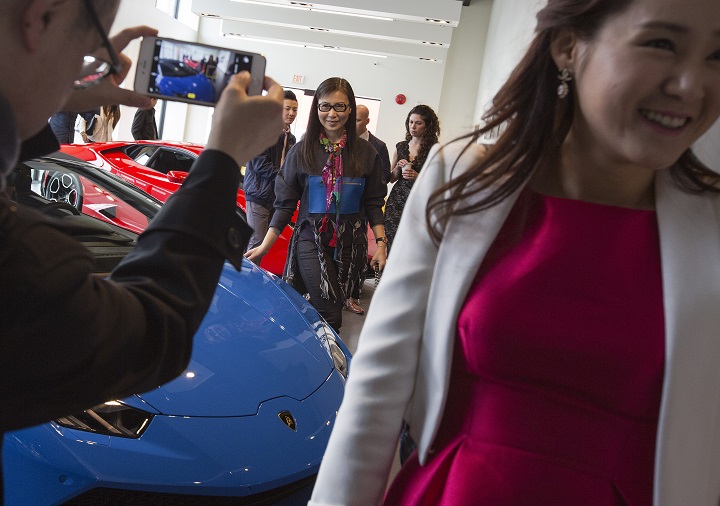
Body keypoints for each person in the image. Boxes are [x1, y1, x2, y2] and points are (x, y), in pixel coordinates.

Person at [309, 0, 720, 504]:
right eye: (661, 44)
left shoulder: (709, 229)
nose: (691, 86)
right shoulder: (463, 180)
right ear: (568, 45)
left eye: (718, 56)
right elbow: (376, 392)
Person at [0, 0, 285, 503]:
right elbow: (151, 327)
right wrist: (223, 159)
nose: (90, 55)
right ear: (39, 18)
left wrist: (51, 88)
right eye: (90, 35)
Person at [245, 77, 388, 333]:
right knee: (330, 312)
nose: (332, 114)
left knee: (323, 308)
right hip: (310, 239)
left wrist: (380, 245)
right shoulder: (301, 152)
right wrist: (264, 246)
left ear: (350, 109)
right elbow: (285, 205)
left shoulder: (367, 154)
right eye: (325, 106)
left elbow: (374, 202)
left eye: (339, 107)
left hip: (350, 245)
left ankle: (301, 350)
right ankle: (331, 366)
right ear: (316, 109)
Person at [343, 103, 391, 315]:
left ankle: (352, 295)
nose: (353, 124)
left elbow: (383, 177)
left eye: (358, 120)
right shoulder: (341, 141)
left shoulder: (378, 146)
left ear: (367, 121)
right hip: (341, 207)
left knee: (358, 253)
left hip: (362, 210)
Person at [243, 90, 299, 259]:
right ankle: (245, 281)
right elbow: (260, 164)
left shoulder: (291, 138)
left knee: (265, 246)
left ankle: (250, 278)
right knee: (257, 243)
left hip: (276, 198)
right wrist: (284, 180)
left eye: (295, 110)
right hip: (258, 195)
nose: (291, 113)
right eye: (287, 108)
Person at [383, 104, 440, 250]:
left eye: (418, 123)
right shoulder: (401, 146)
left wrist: (417, 176)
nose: (413, 126)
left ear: (427, 126)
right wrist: (398, 167)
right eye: (410, 122)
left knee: (412, 245)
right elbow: (391, 178)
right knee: (391, 241)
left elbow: (438, 182)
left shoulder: (435, 149)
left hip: (419, 201)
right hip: (397, 200)